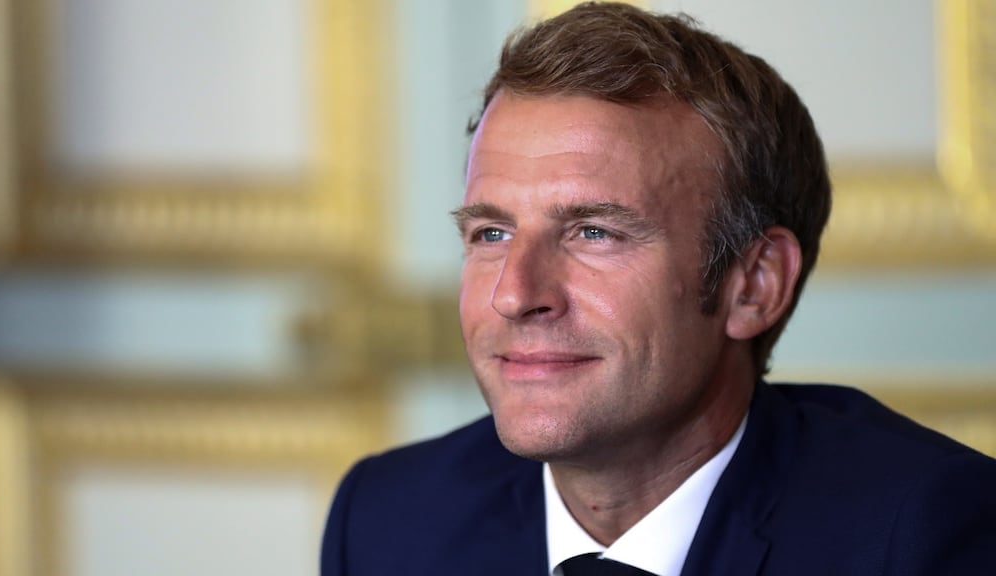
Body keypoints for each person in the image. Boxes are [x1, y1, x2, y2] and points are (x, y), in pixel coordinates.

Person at [321, 3, 996, 575]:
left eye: (593, 233)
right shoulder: (387, 519)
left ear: (753, 284)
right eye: (492, 234)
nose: (514, 294)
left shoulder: (926, 535)